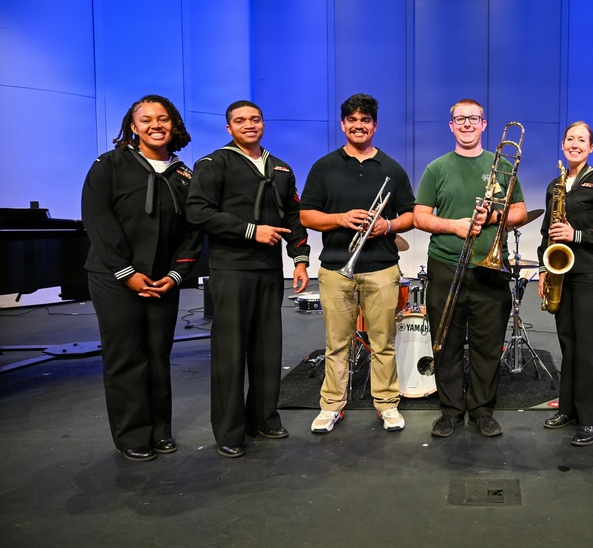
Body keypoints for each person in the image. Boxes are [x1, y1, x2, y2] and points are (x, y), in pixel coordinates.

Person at [82, 95, 203, 462]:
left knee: (157, 355)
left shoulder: (185, 176)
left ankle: (159, 430)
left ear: (174, 125)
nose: (155, 125)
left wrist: (175, 275)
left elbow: (192, 233)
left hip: (162, 281)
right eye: (146, 119)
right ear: (132, 127)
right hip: (114, 276)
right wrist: (127, 272)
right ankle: (132, 435)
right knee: (126, 356)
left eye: (163, 118)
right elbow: (98, 220)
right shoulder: (110, 165)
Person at [186, 100, 309, 458]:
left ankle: (264, 419)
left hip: (269, 272)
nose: (249, 125)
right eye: (240, 120)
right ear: (229, 128)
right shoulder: (213, 164)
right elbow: (197, 212)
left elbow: (293, 217)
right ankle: (229, 431)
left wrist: (300, 260)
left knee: (268, 349)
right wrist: (250, 231)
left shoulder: (281, 168)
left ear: (263, 124)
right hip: (231, 270)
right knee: (229, 353)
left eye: (255, 119)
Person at [299, 94, 415, 434]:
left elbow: (411, 214)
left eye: (365, 120)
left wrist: (388, 225)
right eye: (352, 120)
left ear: (375, 126)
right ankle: (331, 406)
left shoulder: (391, 169)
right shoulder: (324, 167)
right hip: (337, 268)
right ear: (343, 124)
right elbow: (306, 214)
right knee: (337, 343)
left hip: (381, 266)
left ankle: (387, 404)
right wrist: (340, 218)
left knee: (383, 342)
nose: (358, 125)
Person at [413, 99, 527, 438]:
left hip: (490, 268)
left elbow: (520, 212)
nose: (466, 124)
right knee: (445, 342)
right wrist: (454, 226)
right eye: (459, 119)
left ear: (484, 123)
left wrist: (493, 217)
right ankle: (450, 411)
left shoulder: (502, 163)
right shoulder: (436, 168)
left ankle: (481, 411)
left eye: (473, 118)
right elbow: (420, 216)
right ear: (451, 125)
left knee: (487, 345)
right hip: (446, 265)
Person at [538, 122, 593, 446]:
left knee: (590, 348)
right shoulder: (555, 185)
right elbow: (546, 231)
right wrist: (544, 268)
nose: (575, 144)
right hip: (563, 275)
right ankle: (569, 409)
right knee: (568, 344)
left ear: (591, 148)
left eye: (581, 140)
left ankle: (592, 419)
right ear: (563, 145)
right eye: (570, 139)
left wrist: (576, 235)